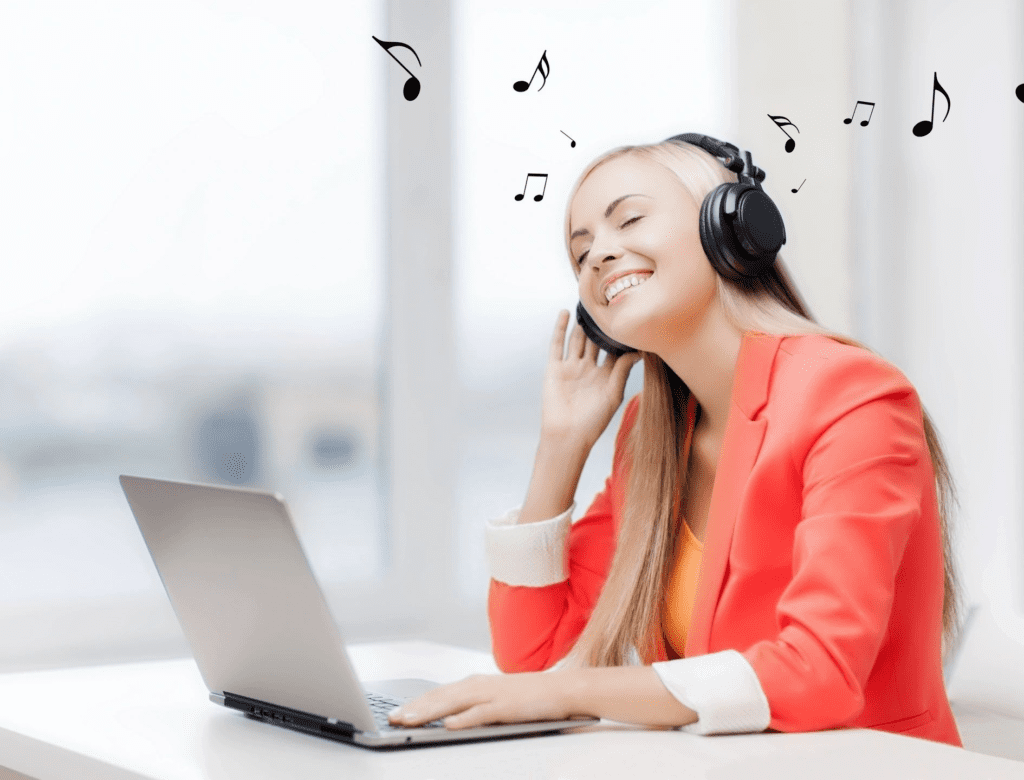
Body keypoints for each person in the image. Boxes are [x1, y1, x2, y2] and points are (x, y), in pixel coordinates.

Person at [389, 133, 964, 746]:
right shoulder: (652, 435)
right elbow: (532, 652)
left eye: (629, 219)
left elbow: (818, 672)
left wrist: (563, 692)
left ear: (731, 226)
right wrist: (561, 447)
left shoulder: (850, 395)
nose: (598, 259)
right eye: (580, 255)